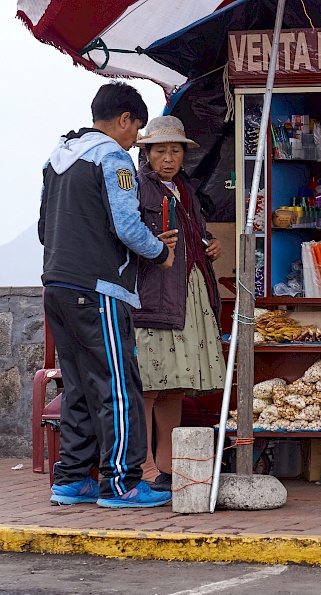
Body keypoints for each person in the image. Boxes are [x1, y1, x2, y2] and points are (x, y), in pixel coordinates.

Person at [40, 82, 178, 508]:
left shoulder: (56, 159)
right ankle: (121, 484)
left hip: (56, 284)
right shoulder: (112, 157)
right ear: (124, 120)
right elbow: (128, 225)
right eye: (136, 129)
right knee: (118, 385)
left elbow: (45, 229)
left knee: (79, 385)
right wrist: (161, 252)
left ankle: (71, 479)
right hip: (98, 288)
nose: (136, 140)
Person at [133, 116, 226, 491]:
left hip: (189, 292)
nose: (168, 158)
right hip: (154, 296)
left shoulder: (187, 191)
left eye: (175, 150)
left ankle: (169, 464)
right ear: (147, 154)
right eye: (160, 151)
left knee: (174, 385)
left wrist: (210, 247)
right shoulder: (138, 190)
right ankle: (143, 466)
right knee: (148, 384)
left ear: (184, 155)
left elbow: (195, 238)